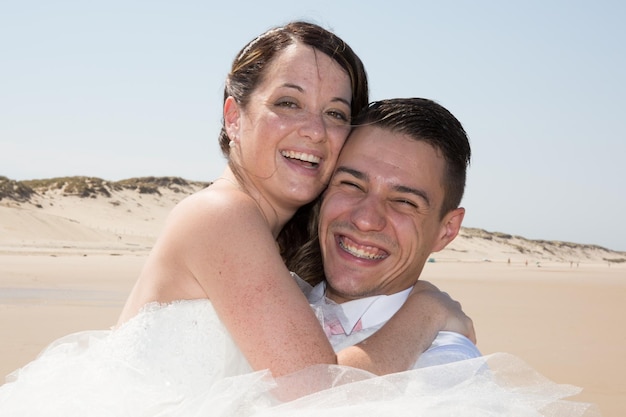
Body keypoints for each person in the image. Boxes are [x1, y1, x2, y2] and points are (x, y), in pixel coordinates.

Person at [0, 22, 473, 415]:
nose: (313, 129)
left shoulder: (270, 238)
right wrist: (427, 310)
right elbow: (322, 398)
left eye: (334, 113)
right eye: (288, 103)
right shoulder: (222, 217)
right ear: (234, 115)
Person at [291, 97, 481, 368]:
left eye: (404, 202)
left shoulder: (444, 362)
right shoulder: (262, 296)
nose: (366, 220)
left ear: (446, 230)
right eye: (352, 184)